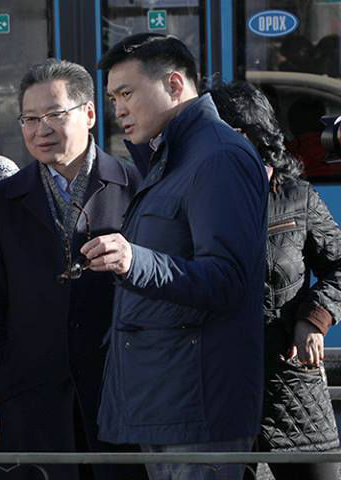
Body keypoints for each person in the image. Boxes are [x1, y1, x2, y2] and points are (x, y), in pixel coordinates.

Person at [86, 33, 268, 479]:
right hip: (167, 402)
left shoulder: (218, 156)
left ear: (173, 84)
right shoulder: (173, 155)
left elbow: (228, 279)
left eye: (126, 94)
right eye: (112, 99)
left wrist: (134, 262)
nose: (118, 110)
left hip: (198, 410)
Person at [0, 59, 141, 480]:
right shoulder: (2, 200)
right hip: (31, 402)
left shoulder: (135, 185)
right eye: (29, 118)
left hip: (119, 397)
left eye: (54, 115)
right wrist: (3, 372)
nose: (40, 129)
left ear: (90, 113)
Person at [208, 81, 341, 480]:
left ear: (253, 134)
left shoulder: (297, 197)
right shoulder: (196, 199)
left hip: (292, 384)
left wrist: (314, 318)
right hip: (220, 389)